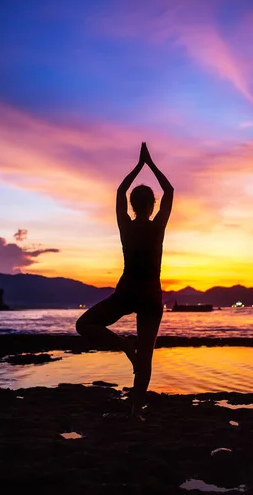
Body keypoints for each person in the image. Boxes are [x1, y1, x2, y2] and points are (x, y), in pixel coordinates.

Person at [76, 142, 174, 419]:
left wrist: (138, 166)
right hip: (151, 297)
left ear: (132, 205)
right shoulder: (157, 227)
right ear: (152, 205)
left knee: (84, 324)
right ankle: (135, 409)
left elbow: (120, 191)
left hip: (127, 292)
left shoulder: (126, 227)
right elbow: (170, 191)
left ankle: (124, 346)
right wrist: (150, 164)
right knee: (146, 357)